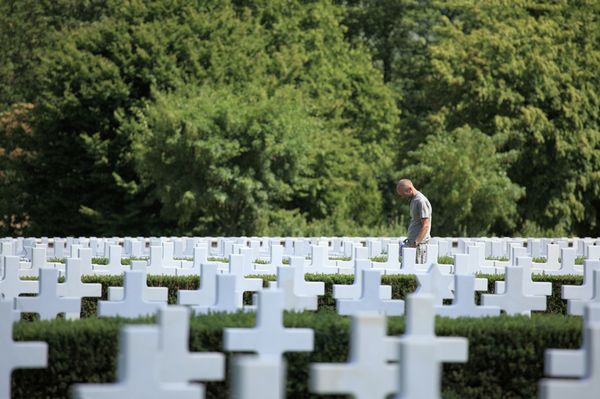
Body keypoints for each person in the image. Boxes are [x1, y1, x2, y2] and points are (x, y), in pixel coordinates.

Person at [396, 179, 432, 264]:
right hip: (413, 244)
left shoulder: (421, 201)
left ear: (409, 189)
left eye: (403, 194)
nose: (402, 197)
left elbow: (425, 225)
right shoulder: (413, 199)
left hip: (418, 246)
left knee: (416, 274)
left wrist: (415, 243)